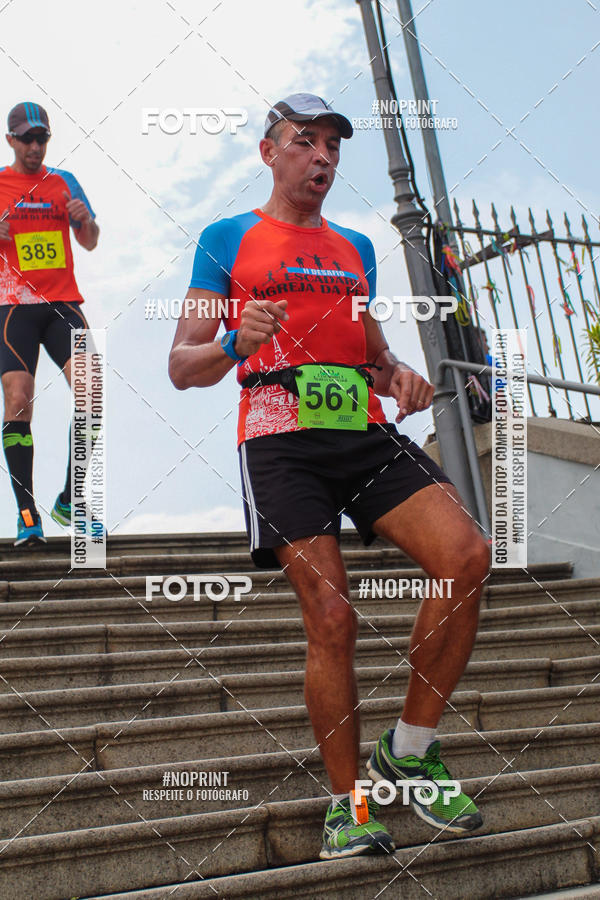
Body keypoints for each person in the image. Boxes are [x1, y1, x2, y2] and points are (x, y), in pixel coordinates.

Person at [169, 93, 490, 859]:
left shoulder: (354, 248)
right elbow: (183, 365)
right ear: (269, 153)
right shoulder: (226, 239)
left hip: (360, 431)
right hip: (280, 439)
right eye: (305, 143)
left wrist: (398, 375)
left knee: (467, 557)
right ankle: (349, 807)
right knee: (334, 617)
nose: (322, 158)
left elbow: (370, 353)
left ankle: (408, 751)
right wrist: (235, 346)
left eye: (333, 148)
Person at [0, 102, 99, 545]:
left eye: (42, 138)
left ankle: (71, 500)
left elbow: (91, 240)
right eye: (27, 139)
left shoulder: (64, 182)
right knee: (19, 402)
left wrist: (84, 223)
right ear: (11, 142)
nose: (35, 146)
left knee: (92, 394)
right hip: (13, 306)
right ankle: (26, 514)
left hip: (63, 304)